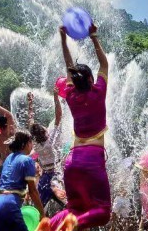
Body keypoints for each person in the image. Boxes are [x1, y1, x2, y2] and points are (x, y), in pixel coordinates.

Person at [39, 23, 112, 230]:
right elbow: (104, 64)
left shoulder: (70, 95)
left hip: (71, 163)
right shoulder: (98, 93)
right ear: (90, 79)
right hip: (92, 161)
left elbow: (68, 64)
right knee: (103, 212)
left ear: (73, 80)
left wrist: (63, 39)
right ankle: (70, 224)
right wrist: (94, 36)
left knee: (74, 208)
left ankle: (49, 225)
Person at [26, 89, 63, 207]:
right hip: (57, 173)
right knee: (64, 199)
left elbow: (30, 121)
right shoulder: (50, 141)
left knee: (39, 205)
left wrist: (30, 103)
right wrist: (56, 97)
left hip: (45, 176)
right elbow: (58, 116)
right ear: (44, 131)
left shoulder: (35, 143)